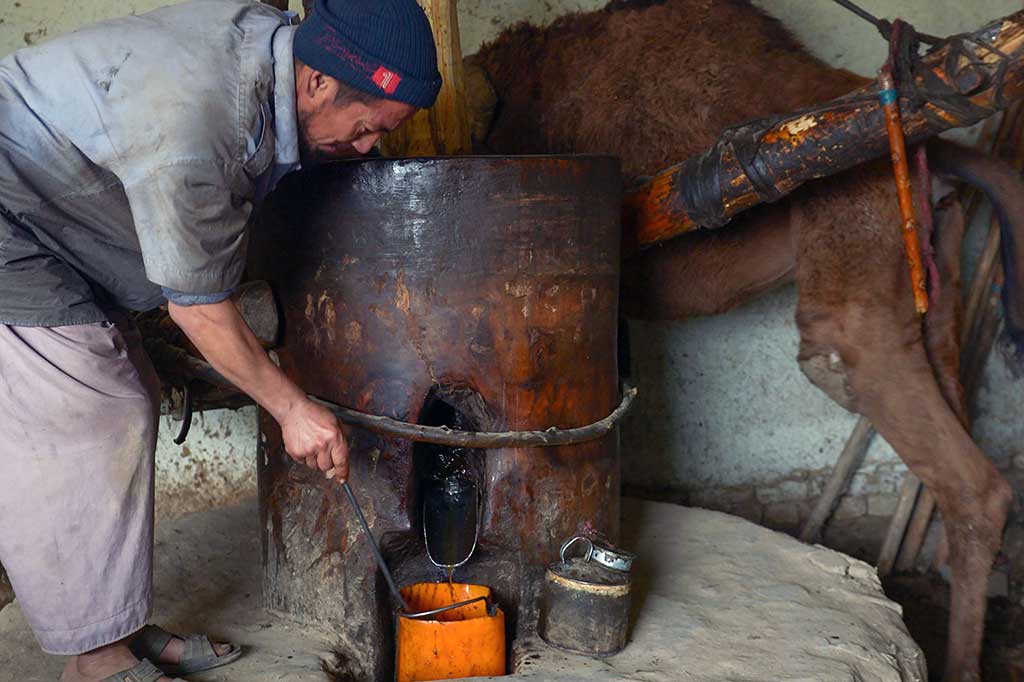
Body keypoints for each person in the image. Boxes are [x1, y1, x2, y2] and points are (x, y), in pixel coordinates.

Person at [0, 0, 440, 680]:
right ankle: (96, 660)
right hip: (10, 212)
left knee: (131, 396)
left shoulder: (273, 53)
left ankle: (119, 626)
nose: (366, 149)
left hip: (58, 215)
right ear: (318, 83)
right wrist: (293, 409)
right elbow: (199, 312)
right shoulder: (203, 122)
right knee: (92, 411)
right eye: (366, 129)